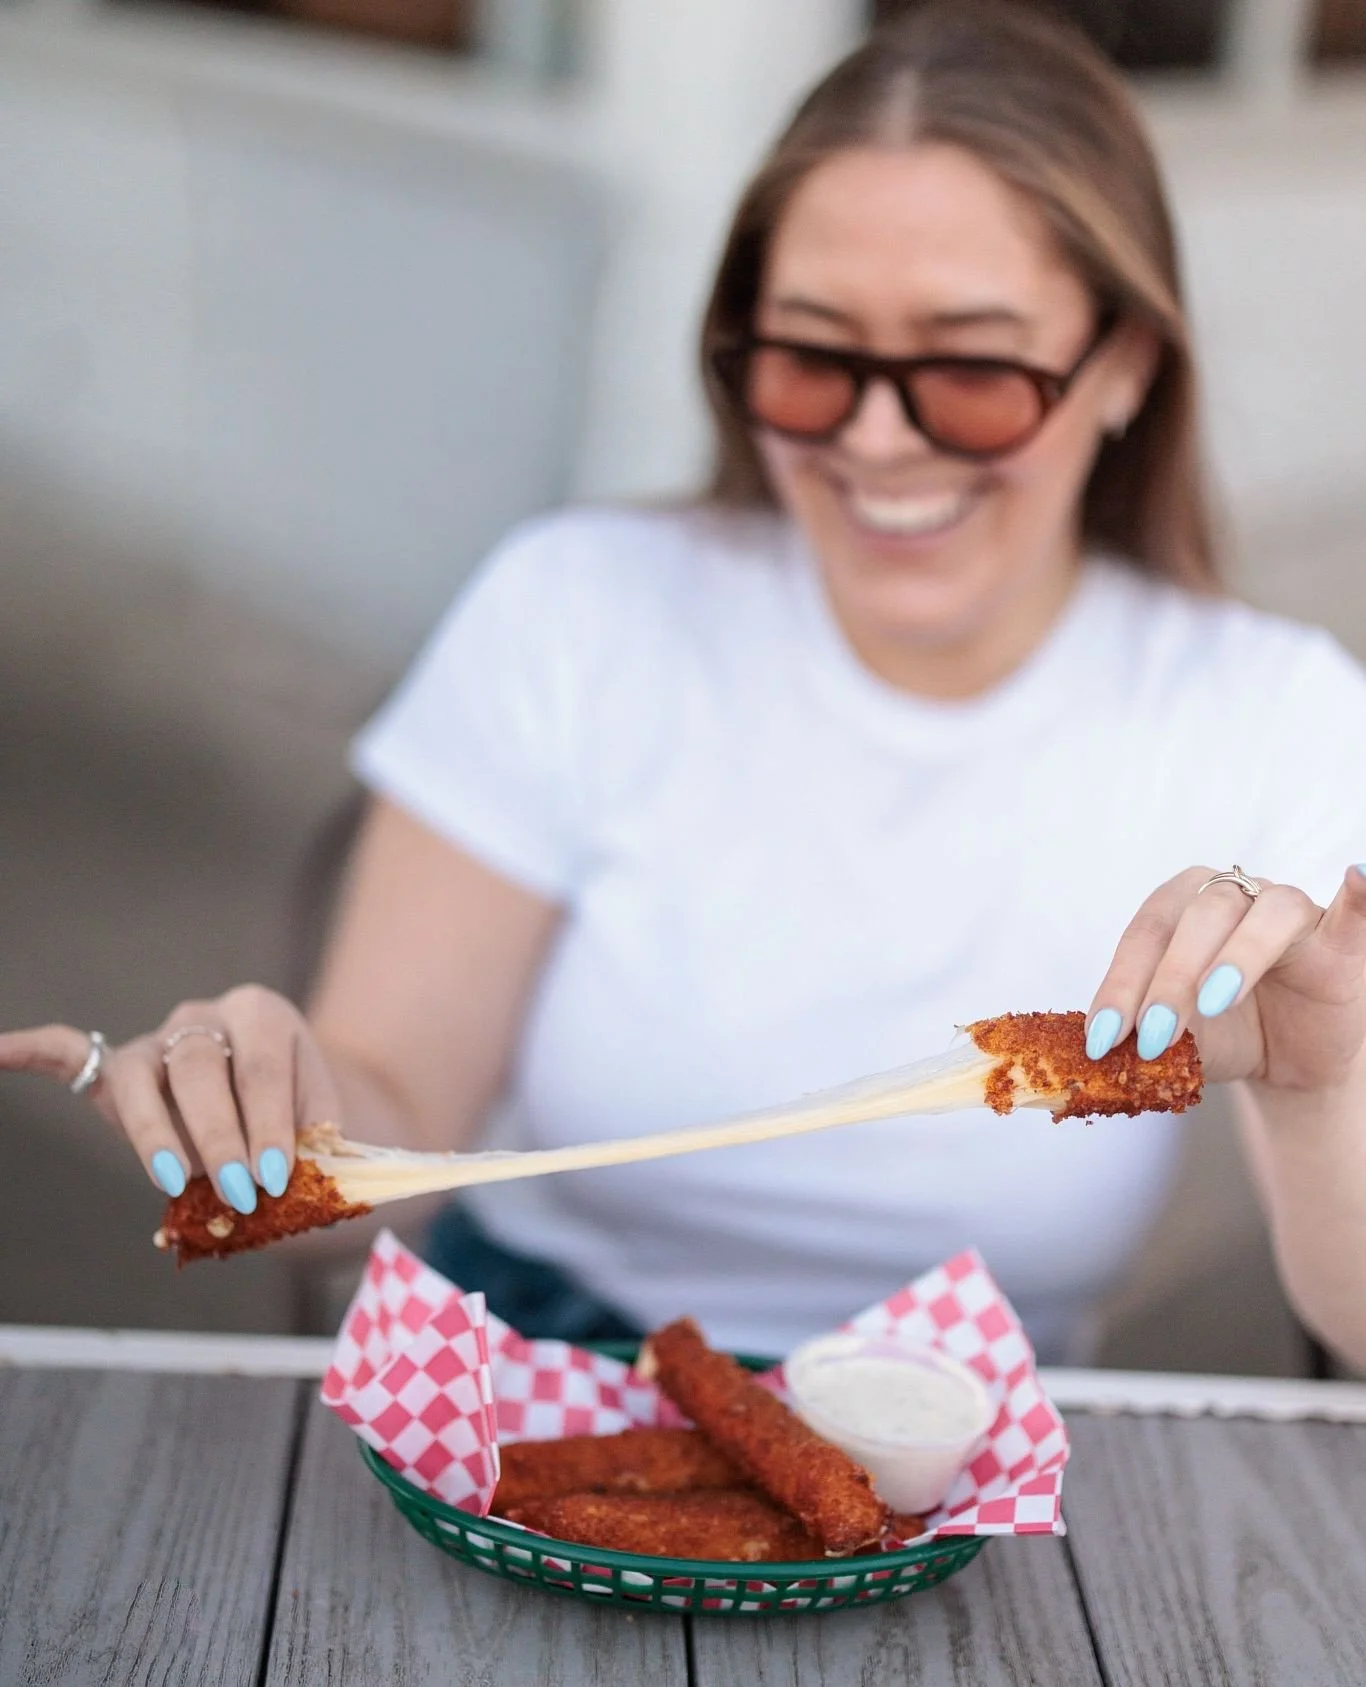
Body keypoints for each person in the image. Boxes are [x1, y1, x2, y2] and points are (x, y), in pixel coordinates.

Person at [5, 1, 1366, 1367]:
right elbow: (387, 1119)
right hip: (536, 1379)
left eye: (967, 368)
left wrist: (1325, 1089)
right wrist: (264, 1125)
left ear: (1123, 363)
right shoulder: (579, 611)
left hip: (967, 1440)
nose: (878, 439)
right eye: (812, 355)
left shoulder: (1272, 716)